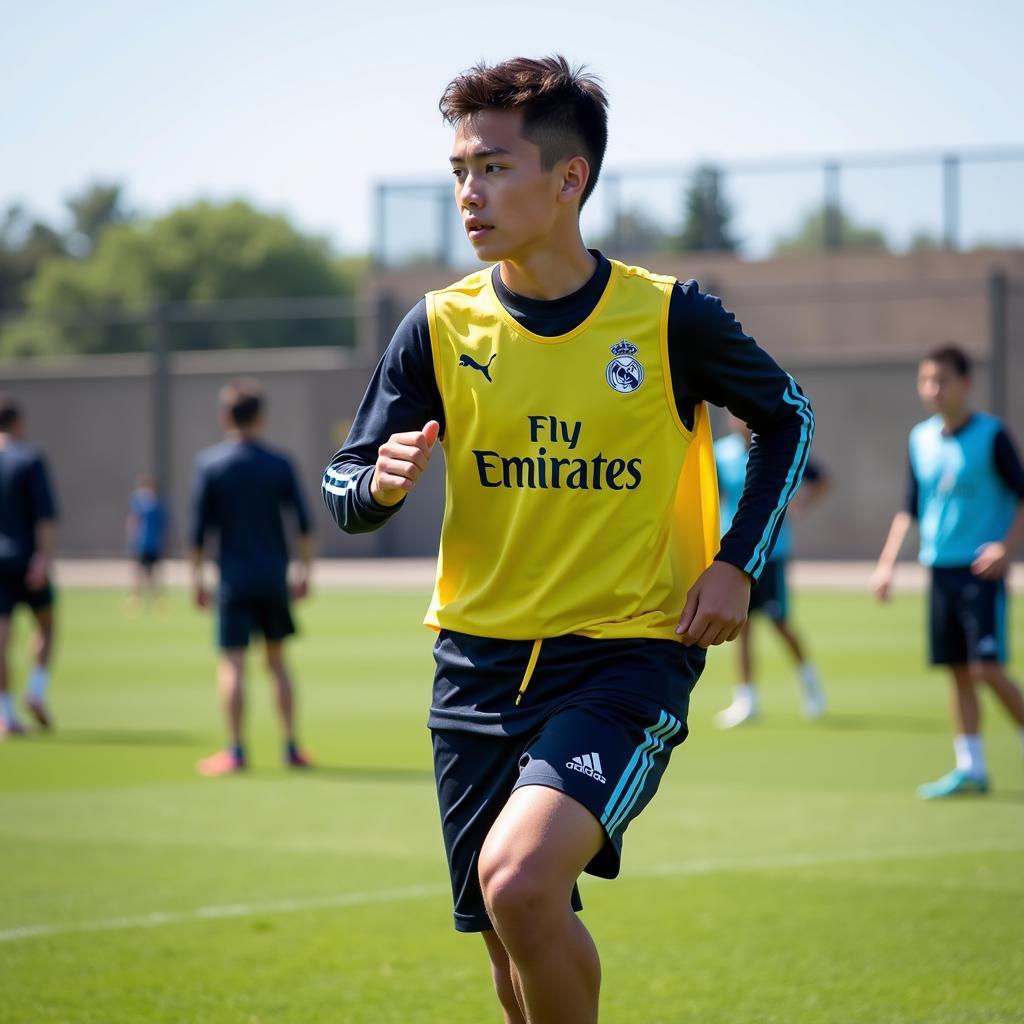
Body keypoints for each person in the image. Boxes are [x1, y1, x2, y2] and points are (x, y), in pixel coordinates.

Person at [322, 56, 813, 1024]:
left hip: (622, 656)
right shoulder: (438, 326)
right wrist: (373, 488)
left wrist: (734, 561)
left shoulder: (670, 317)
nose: (470, 191)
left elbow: (787, 415)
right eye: (459, 168)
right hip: (473, 666)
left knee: (519, 883)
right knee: (511, 938)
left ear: (569, 179)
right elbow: (345, 481)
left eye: (494, 167)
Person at [872, 345, 1024, 799]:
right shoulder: (920, 439)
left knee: (986, 669)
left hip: (981, 573)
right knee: (957, 670)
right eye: (926, 381)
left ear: (966, 383)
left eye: (942, 380)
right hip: (939, 570)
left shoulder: (992, 435)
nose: (933, 390)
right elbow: (910, 509)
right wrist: (886, 564)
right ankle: (971, 768)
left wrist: (1005, 547)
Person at [190, 378, 314, 775]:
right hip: (273, 575)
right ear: (262, 416)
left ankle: (236, 750)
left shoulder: (210, 464)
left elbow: (197, 533)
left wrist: (196, 580)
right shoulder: (279, 463)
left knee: (233, 663)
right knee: (277, 662)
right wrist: (304, 571)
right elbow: (305, 523)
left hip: (233, 579)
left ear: (224, 416)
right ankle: (291, 746)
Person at [713, 416, 829, 727]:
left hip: (771, 552)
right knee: (741, 627)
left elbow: (821, 479)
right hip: (734, 553)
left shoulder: (776, 447)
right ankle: (746, 699)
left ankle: (810, 684)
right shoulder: (720, 454)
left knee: (779, 622)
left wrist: (800, 505)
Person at [0, 395, 58, 736]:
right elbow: (45, 515)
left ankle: (5, 712)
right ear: (18, 423)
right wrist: (43, 557)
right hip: (25, 558)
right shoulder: (30, 459)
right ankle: (35, 690)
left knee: (2, 637)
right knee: (47, 626)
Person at [126, 473, 168, 610]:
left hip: (154, 544)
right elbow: (133, 521)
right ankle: (135, 600)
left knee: (154, 574)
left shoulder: (158, 505)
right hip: (141, 544)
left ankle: (157, 600)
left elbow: (163, 526)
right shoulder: (138, 503)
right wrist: (132, 537)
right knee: (138, 572)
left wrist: (164, 541)